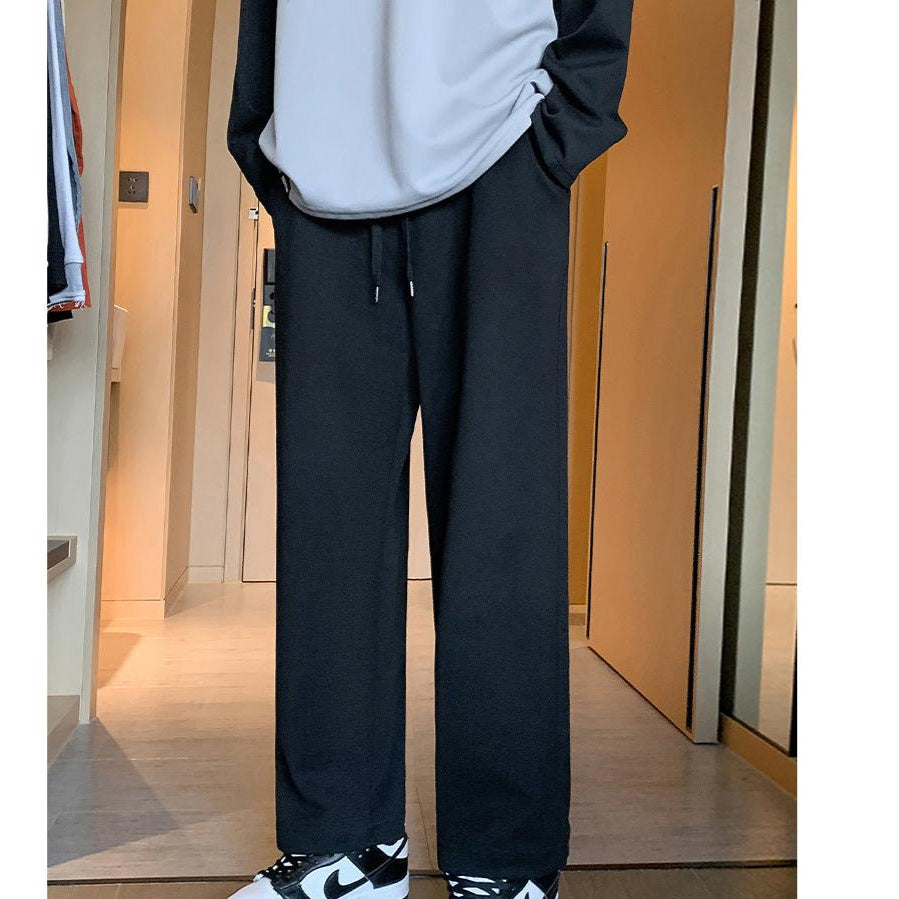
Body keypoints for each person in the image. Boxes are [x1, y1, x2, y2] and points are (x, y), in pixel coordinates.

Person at [226, 2, 632, 897]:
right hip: (323, 165)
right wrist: (264, 136)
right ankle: (344, 842)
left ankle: (504, 853)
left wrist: (566, 121)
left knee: (501, 517)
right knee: (327, 525)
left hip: (503, 143)